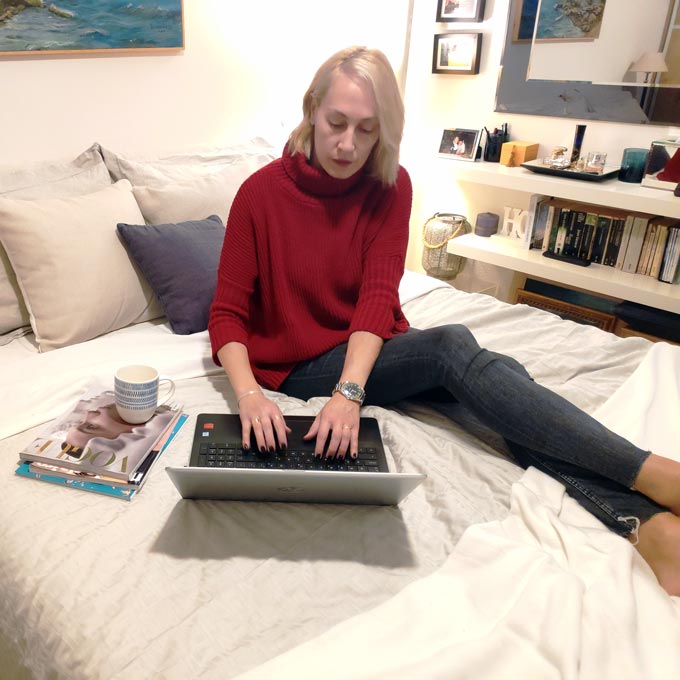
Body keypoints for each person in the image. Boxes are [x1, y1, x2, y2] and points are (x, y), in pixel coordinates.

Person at [209, 46, 680, 596]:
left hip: (367, 347)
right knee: (454, 349)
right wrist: (248, 395)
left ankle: (645, 525)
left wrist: (351, 391)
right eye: (337, 123)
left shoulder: (391, 184)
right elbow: (227, 315)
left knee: (495, 397)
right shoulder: (259, 194)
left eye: (367, 130)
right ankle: (655, 473)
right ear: (311, 108)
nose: (347, 145)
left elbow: (378, 297)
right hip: (295, 363)